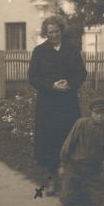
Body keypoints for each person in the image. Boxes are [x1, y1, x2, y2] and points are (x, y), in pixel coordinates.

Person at [28, 15, 87, 195]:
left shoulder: (72, 50)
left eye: (56, 31)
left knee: (68, 138)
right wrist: (51, 85)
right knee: (49, 141)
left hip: (68, 102)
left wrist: (69, 83)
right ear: (46, 33)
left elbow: (81, 73)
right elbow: (33, 77)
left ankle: (69, 180)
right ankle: (52, 180)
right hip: (48, 104)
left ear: (62, 31)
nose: (53, 35)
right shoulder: (39, 52)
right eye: (49, 32)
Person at [58, 98, 104, 206]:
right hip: (75, 168)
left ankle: (85, 188)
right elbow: (69, 143)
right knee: (67, 201)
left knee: (96, 201)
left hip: (93, 170)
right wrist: (63, 165)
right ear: (91, 113)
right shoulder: (81, 123)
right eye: (97, 113)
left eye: (103, 113)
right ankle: (71, 186)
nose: (100, 116)